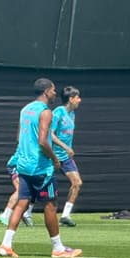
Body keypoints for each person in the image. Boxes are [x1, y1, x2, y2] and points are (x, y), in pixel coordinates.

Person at [0, 78, 82, 258]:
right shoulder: (45, 112)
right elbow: (43, 141)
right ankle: (58, 248)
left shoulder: (25, 109)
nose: (54, 93)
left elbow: (19, 137)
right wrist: (54, 159)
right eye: (52, 90)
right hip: (41, 167)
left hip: (24, 165)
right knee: (51, 205)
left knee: (22, 203)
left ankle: (6, 244)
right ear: (46, 91)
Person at [51, 86, 83, 227]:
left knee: (77, 183)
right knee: (41, 185)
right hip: (52, 156)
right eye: (77, 97)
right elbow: (49, 134)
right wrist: (65, 147)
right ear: (71, 99)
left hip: (66, 158)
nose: (79, 100)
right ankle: (26, 211)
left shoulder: (72, 115)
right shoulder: (58, 112)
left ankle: (65, 215)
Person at [0, 149, 33, 227]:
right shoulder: (28, 139)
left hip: (28, 166)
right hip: (16, 164)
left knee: (29, 193)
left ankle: (23, 215)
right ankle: (6, 214)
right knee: (20, 190)